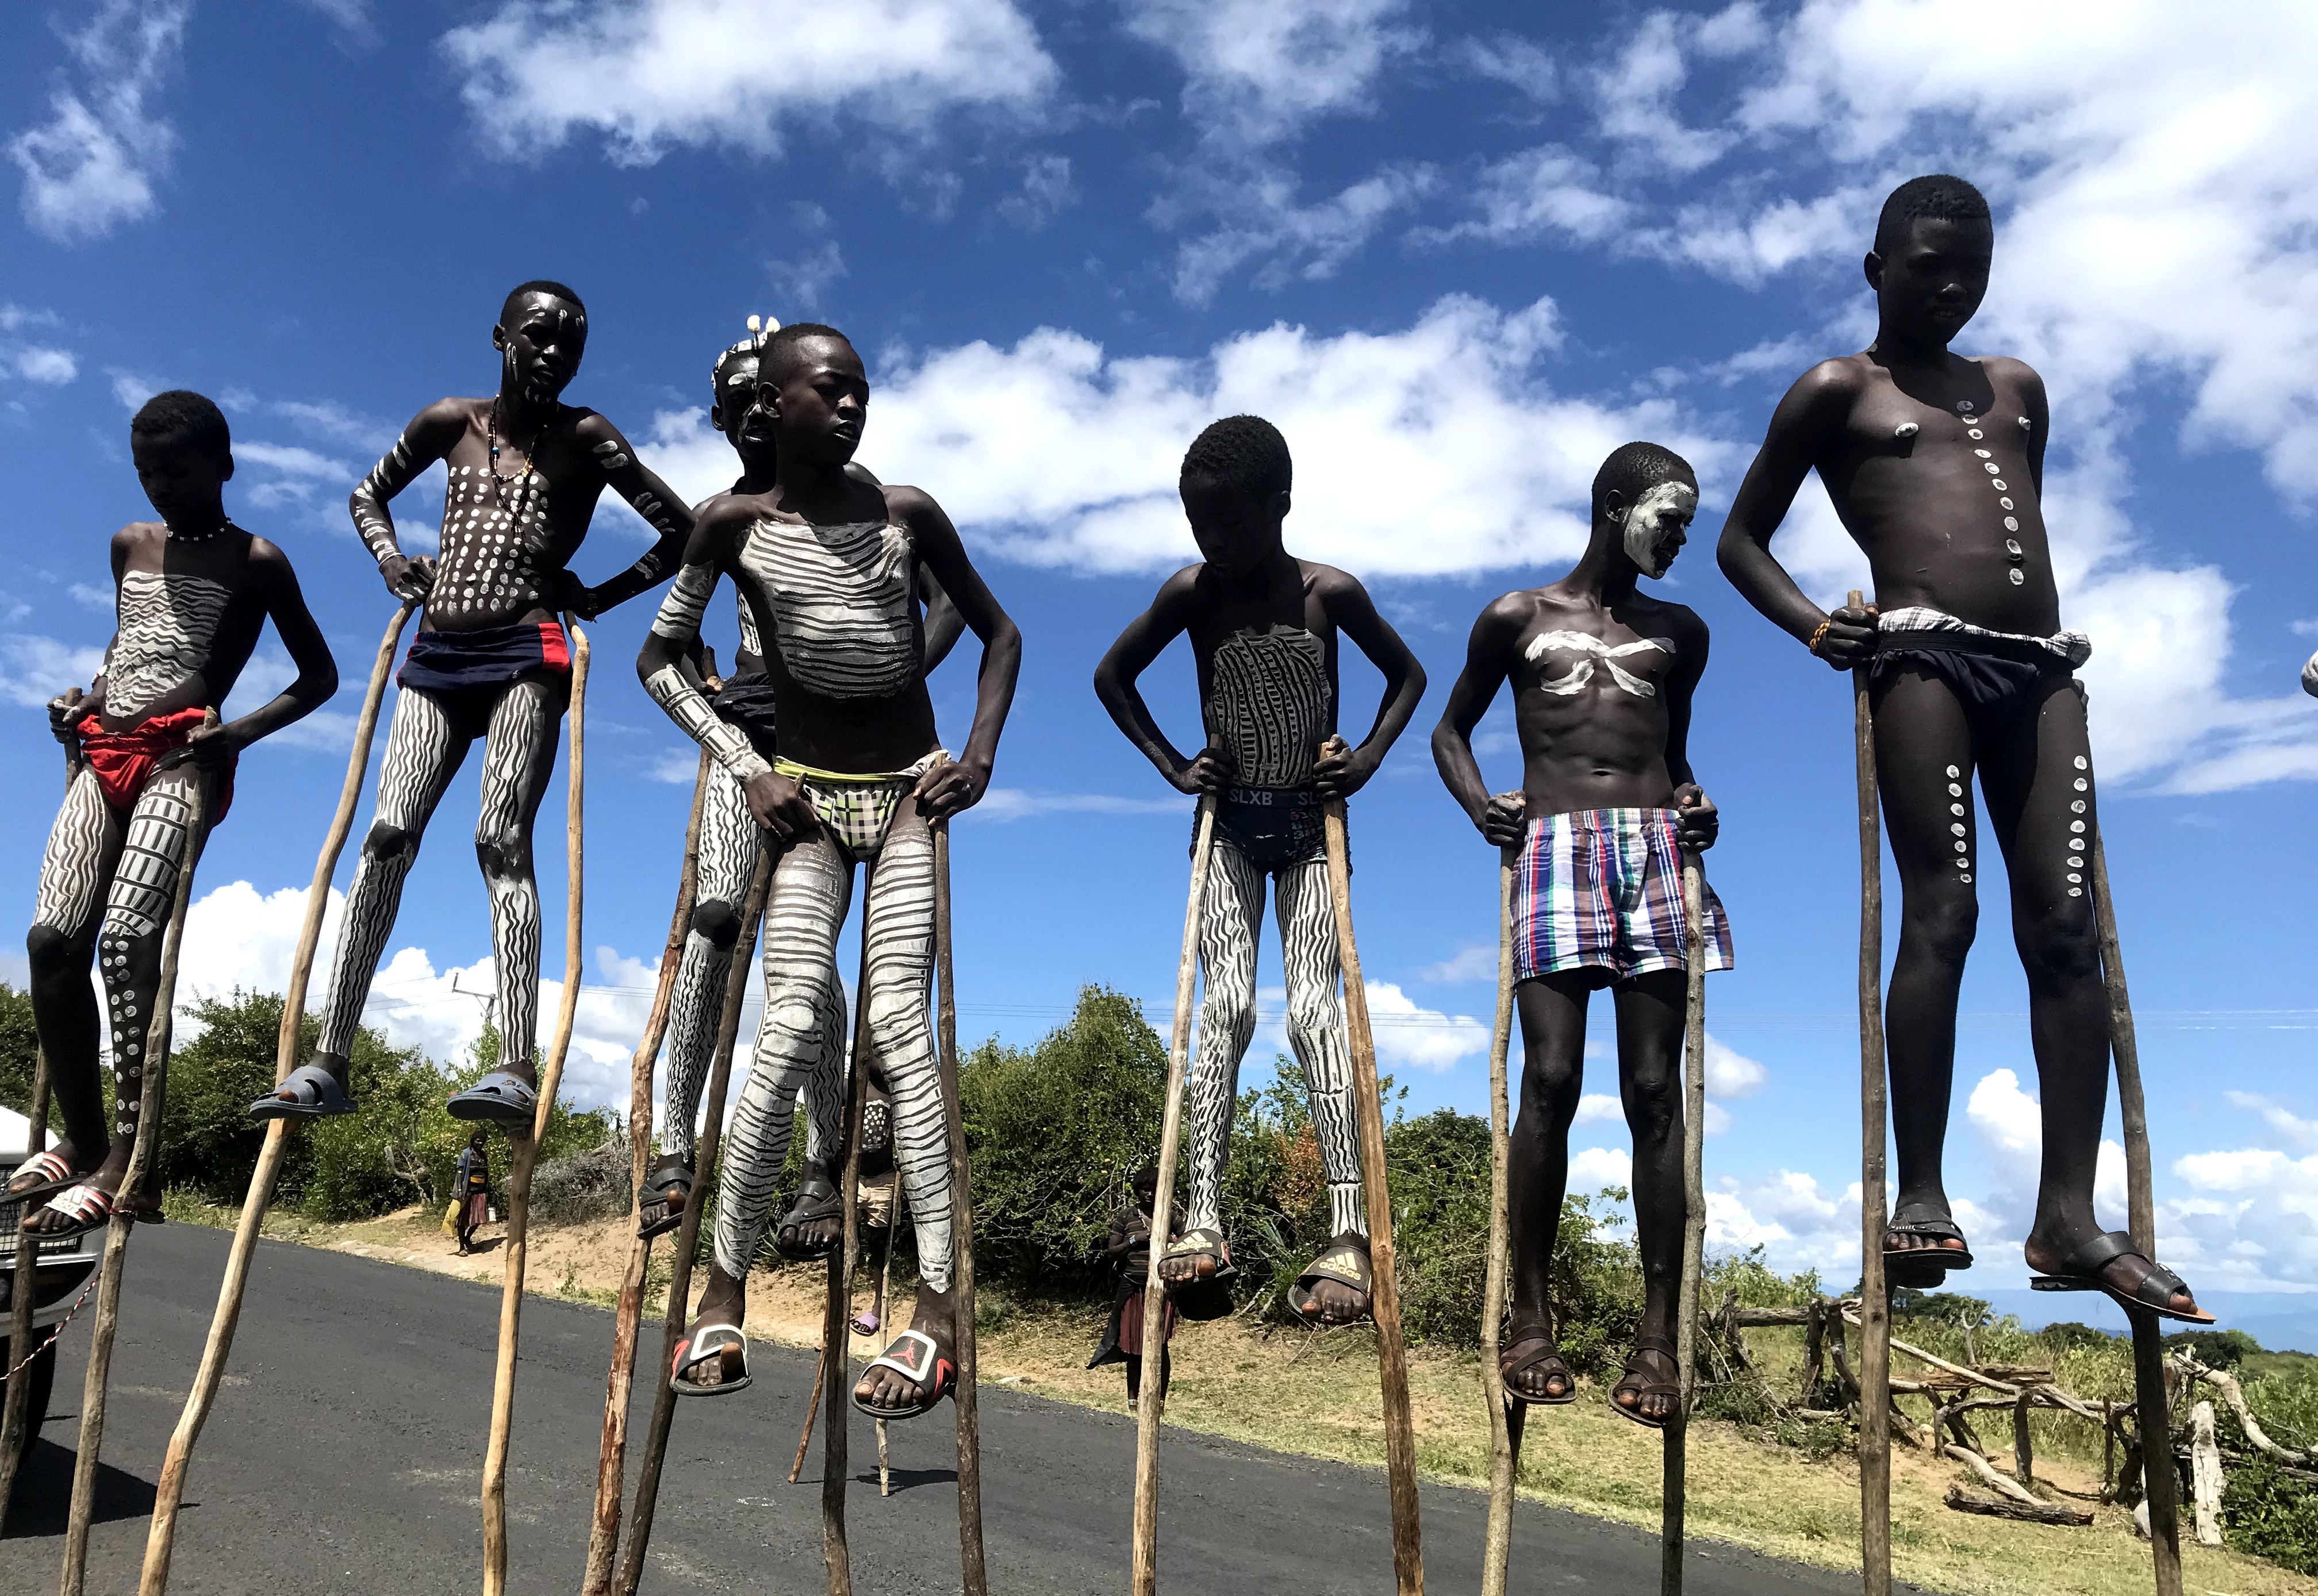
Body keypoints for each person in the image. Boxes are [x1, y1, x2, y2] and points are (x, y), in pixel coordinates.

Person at [1716, 175, 2208, 1322]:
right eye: (1928, 266)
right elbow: (1743, 539)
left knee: (2066, 926)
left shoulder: (2018, 388)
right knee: (1946, 910)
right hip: (1922, 656)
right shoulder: (1837, 390)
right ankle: (1922, 1189)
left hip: (2039, 668)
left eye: (1972, 270)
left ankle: (2069, 1216)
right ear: (1875, 267)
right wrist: (1811, 623)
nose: (1951, 287)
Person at [637, 321, 1020, 1419]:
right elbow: (659, 658)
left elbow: (999, 633)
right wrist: (745, 764)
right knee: (790, 1021)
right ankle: (723, 1287)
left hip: (904, 793)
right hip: (803, 802)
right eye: (826, 390)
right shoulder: (730, 527)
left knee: (898, 1024)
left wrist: (979, 754)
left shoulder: (905, 514)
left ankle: (942, 1307)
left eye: (858, 390)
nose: (847, 407)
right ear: (776, 401)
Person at [250, 280, 692, 1131]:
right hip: (438, 653)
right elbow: (365, 495)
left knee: (501, 838)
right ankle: (329, 1058)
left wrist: (599, 594)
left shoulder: (587, 437)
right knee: (385, 837)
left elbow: (682, 531)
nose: (556, 352)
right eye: (540, 336)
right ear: (501, 337)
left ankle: (515, 1062)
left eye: (573, 341)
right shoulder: (448, 423)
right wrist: (391, 562)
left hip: (528, 650)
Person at [1093, 414, 1426, 1326]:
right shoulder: (1193, 593)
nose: (1214, 544)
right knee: (1228, 1007)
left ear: (1280, 505)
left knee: (1318, 1013)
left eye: (1230, 526)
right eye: (1200, 527)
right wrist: (1172, 763)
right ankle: (1202, 1216)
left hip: (1313, 828)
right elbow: (1112, 676)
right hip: (1230, 826)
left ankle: (1350, 1227)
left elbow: (1409, 677)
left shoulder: (1330, 593)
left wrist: (1363, 760)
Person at [640, 324, 960, 1244]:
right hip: (755, 742)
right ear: (731, 416)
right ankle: (675, 1143)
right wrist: (728, 734)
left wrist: (901, 679)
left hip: (858, 753)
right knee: (716, 916)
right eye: (737, 402)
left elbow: (952, 605)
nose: (752, 414)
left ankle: (826, 1160)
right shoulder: (723, 519)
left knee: (815, 949)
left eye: (760, 396)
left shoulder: (873, 516)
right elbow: (663, 629)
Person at [1432, 441, 1728, 1425]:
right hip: (1553, 848)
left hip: (1651, 852)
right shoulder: (1517, 617)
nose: (1681, 539)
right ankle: (1528, 1319)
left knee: (1653, 1089)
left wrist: (1695, 803)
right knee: (1549, 1078)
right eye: (1670, 519)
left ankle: (1655, 1339)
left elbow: (1674, 752)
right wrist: (1482, 808)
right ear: (1614, 505)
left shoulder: (1682, 632)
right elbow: (1450, 731)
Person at [15, 391, 338, 1236]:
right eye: (146, 472)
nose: (160, 487)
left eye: (178, 471)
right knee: (53, 941)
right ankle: (83, 1145)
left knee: (125, 943)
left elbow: (319, 678)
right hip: (103, 750)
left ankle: (131, 1162)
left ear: (224, 467)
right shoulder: (129, 545)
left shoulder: (257, 560)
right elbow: (124, 650)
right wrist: (77, 701)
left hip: (180, 762)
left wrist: (235, 736)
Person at [1087, 1163, 1179, 1414]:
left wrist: (1172, 1242)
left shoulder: (1168, 1216)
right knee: (1132, 1344)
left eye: (1153, 1189)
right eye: (1144, 1190)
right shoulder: (1127, 1217)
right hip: (1132, 1286)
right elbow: (1111, 1251)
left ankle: (1160, 1401)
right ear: (1137, 1191)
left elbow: (1187, 1242)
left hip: (1161, 1288)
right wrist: (1134, 1240)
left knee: (1160, 1345)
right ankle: (1133, 1399)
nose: (1149, 1194)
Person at [454, 1129, 492, 1254]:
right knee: (463, 1220)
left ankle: (467, 1239)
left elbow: (486, 1172)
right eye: (478, 1140)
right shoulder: (466, 1154)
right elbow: (460, 1173)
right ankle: (461, 1247)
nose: (480, 1143)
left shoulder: (483, 1155)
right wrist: (460, 1190)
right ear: (473, 1140)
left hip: (480, 1192)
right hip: (467, 1192)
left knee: (479, 1219)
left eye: (482, 1141)